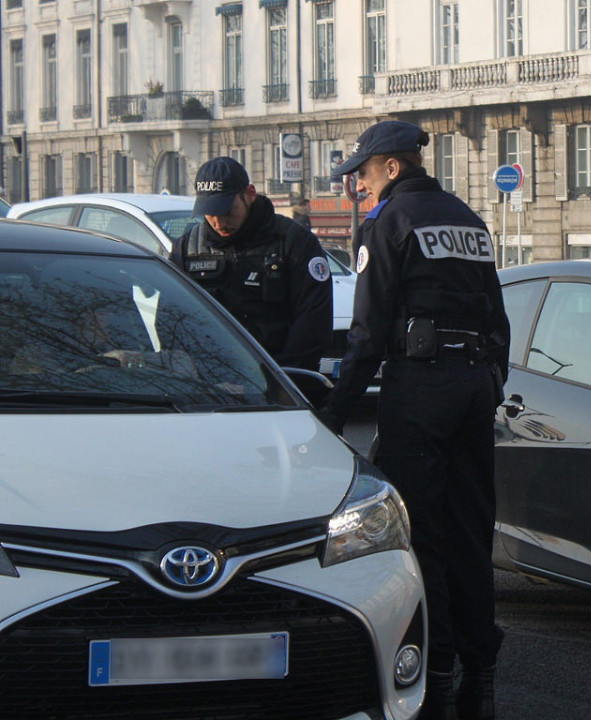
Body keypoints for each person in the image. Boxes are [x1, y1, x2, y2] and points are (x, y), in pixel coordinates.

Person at [318, 120, 510, 720]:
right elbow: (498, 322)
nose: (361, 188)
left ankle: (438, 675)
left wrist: (332, 413)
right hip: (474, 386)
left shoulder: (388, 223)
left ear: (392, 168)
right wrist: (489, 382)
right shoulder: (467, 219)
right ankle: (481, 678)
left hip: (421, 390)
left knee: (421, 535)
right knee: (472, 534)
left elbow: (368, 332)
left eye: (365, 175)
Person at [170, 157, 332, 371]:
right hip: (206, 380)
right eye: (210, 214)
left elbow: (313, 323)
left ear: (250, 194)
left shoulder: (294, 242)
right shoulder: (188, 249)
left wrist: (279, 382)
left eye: (227, 211)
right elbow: (170, 319)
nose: (219, 223)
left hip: (280, 378)